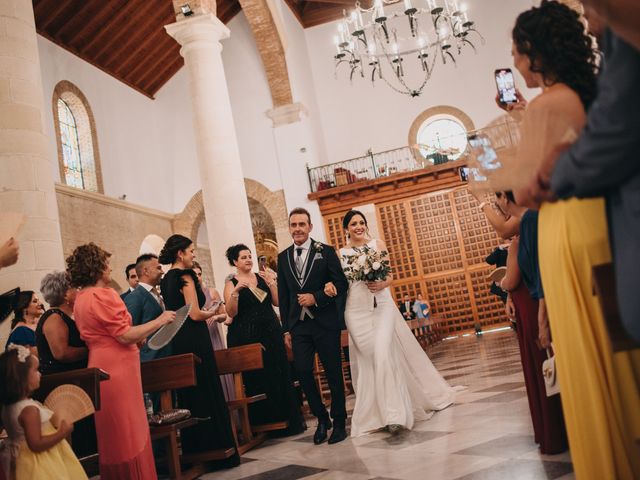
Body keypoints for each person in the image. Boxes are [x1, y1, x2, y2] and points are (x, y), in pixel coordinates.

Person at [505, 3, 640, 478]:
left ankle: (609, 460)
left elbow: (522, 189)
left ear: (535, 54)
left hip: (564, 225)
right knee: (614, 338)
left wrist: (486, 168)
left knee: (584, 349)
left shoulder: (545, 104)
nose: (516, 64)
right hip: (598, 221)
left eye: (518, 53)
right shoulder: (587, 90)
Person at [325, 210, 457, 437]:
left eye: (361, 223)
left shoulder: (378, 244)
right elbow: (338, 281)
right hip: (355, 311)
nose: (358, 226)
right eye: (353, 223)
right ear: (346, 228)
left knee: (384, 354)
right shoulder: (341, 254)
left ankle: (395, 415)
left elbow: (390, 276)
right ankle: (375, 414)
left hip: (381, 305)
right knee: (370, 361)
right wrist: (330, 285)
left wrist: (382, 284)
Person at [68, 243, 173, 479]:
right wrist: (161, 320)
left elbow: (108, 334)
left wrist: (137, 339)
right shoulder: (103, 295)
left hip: (100, 363)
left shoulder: (81, 298)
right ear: (96, 267)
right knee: (129, 430)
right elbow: (124, 334)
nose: (110, 269)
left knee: (113, 433)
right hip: (118, 368)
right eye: (106, 264)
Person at [158, 235, 240, 469]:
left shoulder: (166, 280)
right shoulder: (185, 276)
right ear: (180, 254)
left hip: (179, 340)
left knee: (192, 394)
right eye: (191, 251)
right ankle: (217, 450)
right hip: (195, 337)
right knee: (207, 389)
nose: (194, 254)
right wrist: (212, 311)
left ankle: (197, 450)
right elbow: (194, 313)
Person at [497, 192, 567, 454]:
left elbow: (517, 279)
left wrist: (501, 284)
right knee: (543, 364)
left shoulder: (527, 227)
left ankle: (556, 428)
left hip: (534, 304)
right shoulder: (524, 229)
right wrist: (508, 297)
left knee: (543, 364)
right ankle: (555, 428)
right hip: (528, 303)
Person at [277, 207, 348, 445]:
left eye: (301, 224)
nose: (297, 228)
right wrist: (286, 328)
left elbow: (340, 283)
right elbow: (285, 295)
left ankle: (339, 422)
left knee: (333, 373)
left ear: (310, 227)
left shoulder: (325, 252)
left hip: (325, 323)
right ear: (289, 228)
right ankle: (321, 418)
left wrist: (316, 297)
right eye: (293, 225)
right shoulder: (283, 257)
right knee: (304, 371)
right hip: (299, 326)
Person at [224, 244, 305, 436]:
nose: (248, 259)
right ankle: (264, 424)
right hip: (246, 334)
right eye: (243, 257)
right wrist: (235, 293)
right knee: (256, 378)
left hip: (270, 331)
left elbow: (277, 302)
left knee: (278, 372)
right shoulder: (231, 282)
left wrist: (271, 283)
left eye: (249, 256)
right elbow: (231, 312)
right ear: (235, 262)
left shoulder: (261, 277)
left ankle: (286, 420)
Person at [0, 345, 87, 480]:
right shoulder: (29, 410)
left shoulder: (8, 407)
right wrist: (62, 433)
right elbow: (36, 444)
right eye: (36, 370)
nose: (40, 373)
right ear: (22, 378)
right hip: (40, 463)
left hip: (22, 462)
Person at [192, 261, 234, 401]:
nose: (197, 277)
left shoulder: (211, 292)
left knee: (219, 370)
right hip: (198, 338)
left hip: (213, 336)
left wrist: (215, 317)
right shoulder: (188, 296)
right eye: (194, 274)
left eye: (199, 274)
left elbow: (225, 315)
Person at [123, 254, 174, 362]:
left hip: (167, 356)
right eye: (158, 268)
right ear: (146, 271)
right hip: (150, 360)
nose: (162, 272)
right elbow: (129, 331)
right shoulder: (134, 297)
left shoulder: (157, 294)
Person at [36, 272, 88, 374]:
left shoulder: (61, 316)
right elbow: (61, 353)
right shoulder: (54, 317)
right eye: (76, 288)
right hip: (62, 381)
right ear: (66, 294)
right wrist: (91, 350)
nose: (79, 291)